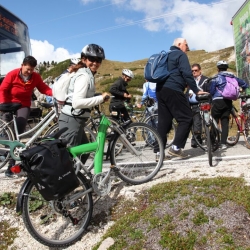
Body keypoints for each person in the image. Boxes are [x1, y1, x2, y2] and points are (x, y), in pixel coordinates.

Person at [0, 55, 53, 177]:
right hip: (8, 103)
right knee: (9, 132)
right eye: (27, 69)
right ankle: (6, 156)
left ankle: (11, 164)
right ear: (22, 65)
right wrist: (3, 105)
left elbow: (43, 88)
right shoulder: (12, 74)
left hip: (23, 104)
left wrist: (55, 93)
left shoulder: (35, 77)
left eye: (31, 70)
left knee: (19, 128)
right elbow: (3, 89)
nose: (29, 72)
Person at [155, 38, 207, 160]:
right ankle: (176, 148)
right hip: (173, 90)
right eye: (186, 45)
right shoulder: (180, 54)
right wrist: (196, 90)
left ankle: (159, 153)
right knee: (187, 118)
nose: (187, 48)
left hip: (160, 91)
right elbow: (187, 73)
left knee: (164, 122)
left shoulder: (165, 55)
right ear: (179, 45)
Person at [58, 44, 109, 164]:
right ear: (84, 59)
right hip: (71, 120)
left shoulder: (86, 73)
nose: (95, 63)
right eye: (92, 59)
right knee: (68, 159)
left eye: (98, 60)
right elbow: (77, 103)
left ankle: (77, 179)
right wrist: (100, 99)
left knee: (84, 152)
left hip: (77, 120)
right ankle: (65, 182)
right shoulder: (84, 76)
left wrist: (97, 96)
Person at [210, 60, 248, 149]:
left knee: (214, 121)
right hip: (228, 101)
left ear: (218, 69)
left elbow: (211, 91)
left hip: (217, 100)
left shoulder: (216, 77)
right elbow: (245, 84)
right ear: (227, 68)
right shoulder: (233, 77)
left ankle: (212, 142)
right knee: (225, 122)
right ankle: (223, 143)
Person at [187, 63, 208, 148]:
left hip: (202, 104)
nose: (194, 72)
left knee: (197, 122)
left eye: (196, 70)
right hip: (191, 105)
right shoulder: (190, 81)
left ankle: (195, 140)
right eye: (192, 71)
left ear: (200, 71)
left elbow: (208, 91)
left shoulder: (205, 80)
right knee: (192, 123)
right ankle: (197, 139)